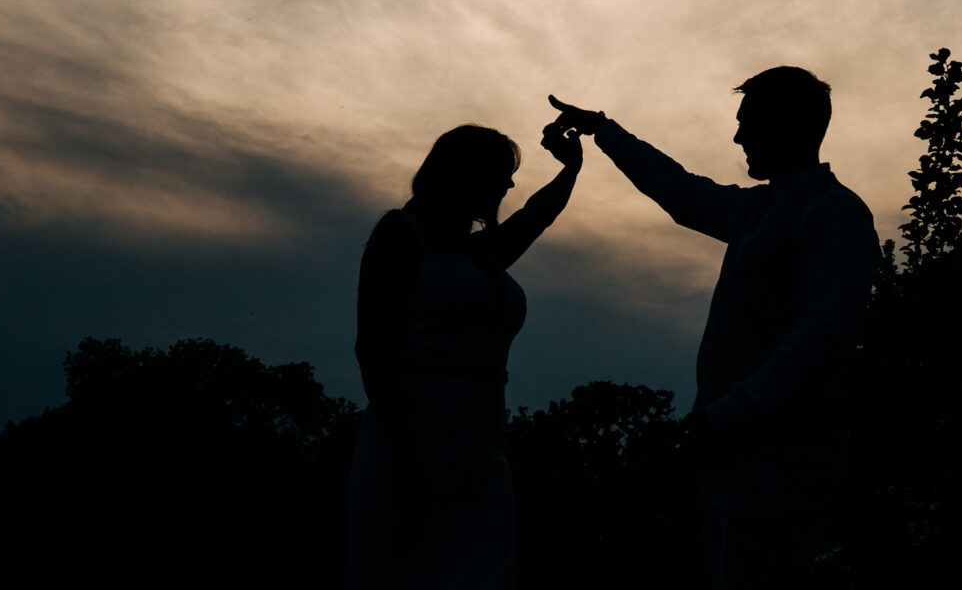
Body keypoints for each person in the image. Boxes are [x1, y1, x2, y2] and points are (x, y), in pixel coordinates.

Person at [549, 67, 879, 589]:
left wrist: (723, 415)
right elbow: (676, 188)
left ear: (791, 126)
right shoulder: (755, 208)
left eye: (750, 122)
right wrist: (603, 130)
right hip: (733, 459)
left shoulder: (833, 214)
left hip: (784, 467)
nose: (738, 135)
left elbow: (823, 339)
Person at [346, 122, 582, 589]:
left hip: (481, 450)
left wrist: (572, 169)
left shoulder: (478, 255)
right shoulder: (401, 234)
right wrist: (405, 458)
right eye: (501, 170)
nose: (510, 184)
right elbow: (373, 349)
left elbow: (537, 215)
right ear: (464, 172)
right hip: (411, 444)